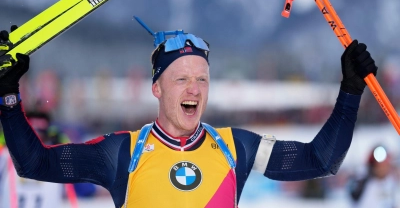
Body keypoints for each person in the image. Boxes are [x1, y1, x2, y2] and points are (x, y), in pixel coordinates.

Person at [0, 21, 378, 208]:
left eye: (202, 79)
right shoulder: (121, 154)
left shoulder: (235, 148)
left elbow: (321, 160)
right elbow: (35, 164)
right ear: (157, 88)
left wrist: (350, 91)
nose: (194, 89)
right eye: (181, 79)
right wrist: (7, 96)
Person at [0, 110, 79, 208]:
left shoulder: (56, 158)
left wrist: (62, 141)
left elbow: (81, 179)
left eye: (40, 129)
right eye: (32, 126)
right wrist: (6, 138)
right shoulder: (6, 155)